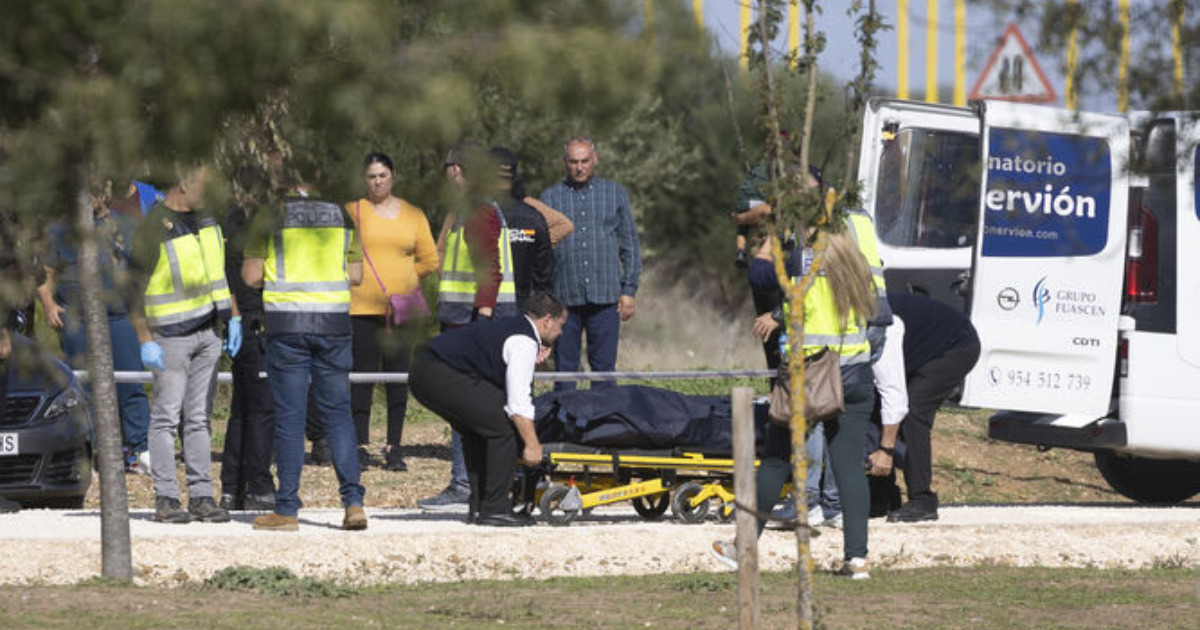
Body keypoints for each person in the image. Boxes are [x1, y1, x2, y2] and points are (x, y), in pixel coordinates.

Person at [712, 223, 883, 580]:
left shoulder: (802, 263)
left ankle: (741, 548)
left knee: (776, 461)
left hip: (812, 376)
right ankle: (857, 560)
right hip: (856, 375)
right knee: (850, 468)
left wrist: (776, 316)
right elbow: (875, 321)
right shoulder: (858, 263)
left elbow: (774, 290)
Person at [242, 177, 368, 532]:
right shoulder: (342, 215)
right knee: (339, 415)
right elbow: (355, 275)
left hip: (287, 325)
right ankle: (353, 503)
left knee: (290, 419)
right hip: (334, 324)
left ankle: (287, 509)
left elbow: (251, 275)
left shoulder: (270, 214)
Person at [129, 165, 238, 524]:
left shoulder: (208, 221)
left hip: (209, 333)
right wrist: (146, 340)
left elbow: (219, 273)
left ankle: (202, 496)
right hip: (170, 338)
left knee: (198, 420)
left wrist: (232, 316)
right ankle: (165, 498)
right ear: (184, 182)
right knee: (164, 418)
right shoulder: (152, 228)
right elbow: (132, 289)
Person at [418, 144, 519, 511]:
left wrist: (483, 323)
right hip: (467, 322)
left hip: (472, 325)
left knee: (465, 405)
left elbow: (488, 270)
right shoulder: (472, 209)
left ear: (456, 170)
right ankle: (472, 482)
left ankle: (465, 483)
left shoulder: (477, 209)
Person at [409, 291, 566, 526]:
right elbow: (518, 403)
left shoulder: (515, 329)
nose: (561, 332)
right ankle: (494, 508)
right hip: (439, 372)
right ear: (547, 321)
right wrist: (533, 444)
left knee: (478, 429)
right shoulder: (523, 341)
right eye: (561, 325)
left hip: (425, 369)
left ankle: (480, 505)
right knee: (503, 427)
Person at [36, 178, 152, 475]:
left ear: (107, 193)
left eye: (98, 191)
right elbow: (44, 275)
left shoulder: (125, 227)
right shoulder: (59, 231)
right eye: (86, 191)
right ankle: (92, 451)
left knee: (130, 384)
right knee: (84, 387)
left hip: (119, 317)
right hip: (77, 320)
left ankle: (140, 450)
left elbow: (142, 274)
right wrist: (49, 305)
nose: (93, 197)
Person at [347, 152, 439, 473]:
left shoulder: (413, 214)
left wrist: (403, 279)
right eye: (372, 176)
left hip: (402, 309)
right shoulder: (352, 212)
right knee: (361, 378)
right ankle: (360, 445)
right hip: (361, 308)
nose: (377, 181)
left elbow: (430, 259)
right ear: (364, 180)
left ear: (393, 176)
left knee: (399, 377)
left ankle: (394, 446)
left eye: (383, 175)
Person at [867, 291, 980, 523]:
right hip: (924, 344)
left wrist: (887, 450)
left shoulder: (884, 324)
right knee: (875, 407)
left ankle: (922, 499)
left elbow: (894, 394)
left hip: (956, 344)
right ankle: (883, 495)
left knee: (914, 412)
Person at [539, 136, 641, 391]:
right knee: (564, 372)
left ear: (595, 159)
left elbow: (629, 243)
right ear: (565, 162)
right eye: (573, 161)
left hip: (605, 297)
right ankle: (565, 427)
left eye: (585, 161)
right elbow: (540, 253)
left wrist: (629, 291)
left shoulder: (614, 193)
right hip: (563, 300)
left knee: (604, 372)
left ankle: (604, 427)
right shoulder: (550, 197)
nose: (579, 167)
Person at [218, 168, 276, 512]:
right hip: (255, 323)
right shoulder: (247, 227)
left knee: (242, 408)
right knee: (261, 410)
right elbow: (232, 278)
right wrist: (237, 318)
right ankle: (257, 483)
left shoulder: (229, 224)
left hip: (244, 322)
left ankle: (232, 486)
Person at [487, 146, 554, 303]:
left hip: (484, 310)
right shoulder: (534, 218)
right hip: (524, 310)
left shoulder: (474, 215)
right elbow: (544, 275)